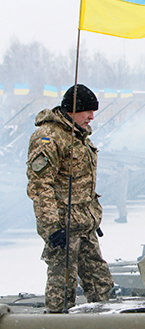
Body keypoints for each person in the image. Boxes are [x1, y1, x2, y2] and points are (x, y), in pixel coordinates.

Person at [26, 84, 113, 313]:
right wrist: (52, 228)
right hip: (63, 228)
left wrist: (92, 215)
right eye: (88, 111)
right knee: (62, 291)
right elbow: (40, 185)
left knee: (101, 285)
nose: (92, 117)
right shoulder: (49, 137)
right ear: (74, 110)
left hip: (85, 225)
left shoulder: (79, 136)